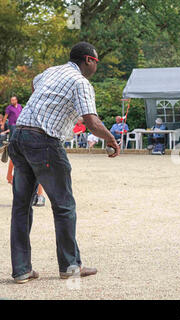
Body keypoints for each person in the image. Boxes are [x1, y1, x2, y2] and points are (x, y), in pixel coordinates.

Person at [7, 41, 120, 284]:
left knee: (21, 207)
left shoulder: (51, 72)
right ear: (89, 60)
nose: (96, 67)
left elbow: (35, 82)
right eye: (97, 62)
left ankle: (21, 270)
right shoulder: (81, 82)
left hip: (18, 136)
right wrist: (111, 139)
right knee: (64, 205)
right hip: (44, 140)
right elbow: (91, 121)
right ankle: (70, 266)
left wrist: (54, 105)